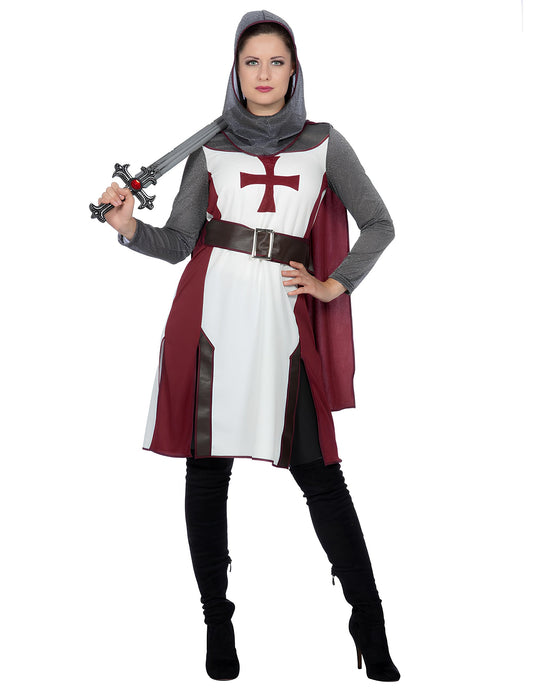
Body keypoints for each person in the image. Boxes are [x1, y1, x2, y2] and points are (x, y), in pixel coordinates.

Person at [97, 10, 400, 683]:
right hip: (209, 319)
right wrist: (127, 226)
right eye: (251, 62)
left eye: (276, 62)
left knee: (321, 475)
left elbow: (379, 224)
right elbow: (179, 242)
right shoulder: (210, 147)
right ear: (235, 73)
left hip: (282, 322)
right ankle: (217, 621)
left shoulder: (324, 143)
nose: (264, 74)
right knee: (207, 475)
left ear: (294, 72)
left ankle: (369, 619)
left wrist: (334, 283)